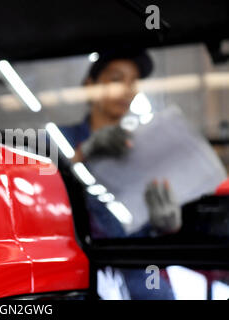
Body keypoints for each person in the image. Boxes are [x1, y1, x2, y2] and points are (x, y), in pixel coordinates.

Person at [59, 49, 180, 299]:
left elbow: (149, 231)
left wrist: (166, 226)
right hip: (77, 266)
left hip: (137, 271)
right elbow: (39, 186)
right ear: (90, 85)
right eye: (116, 79)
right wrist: (81, 156)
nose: (126, 89)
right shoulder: (59, 140)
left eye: (133, 82)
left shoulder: (144, 151)